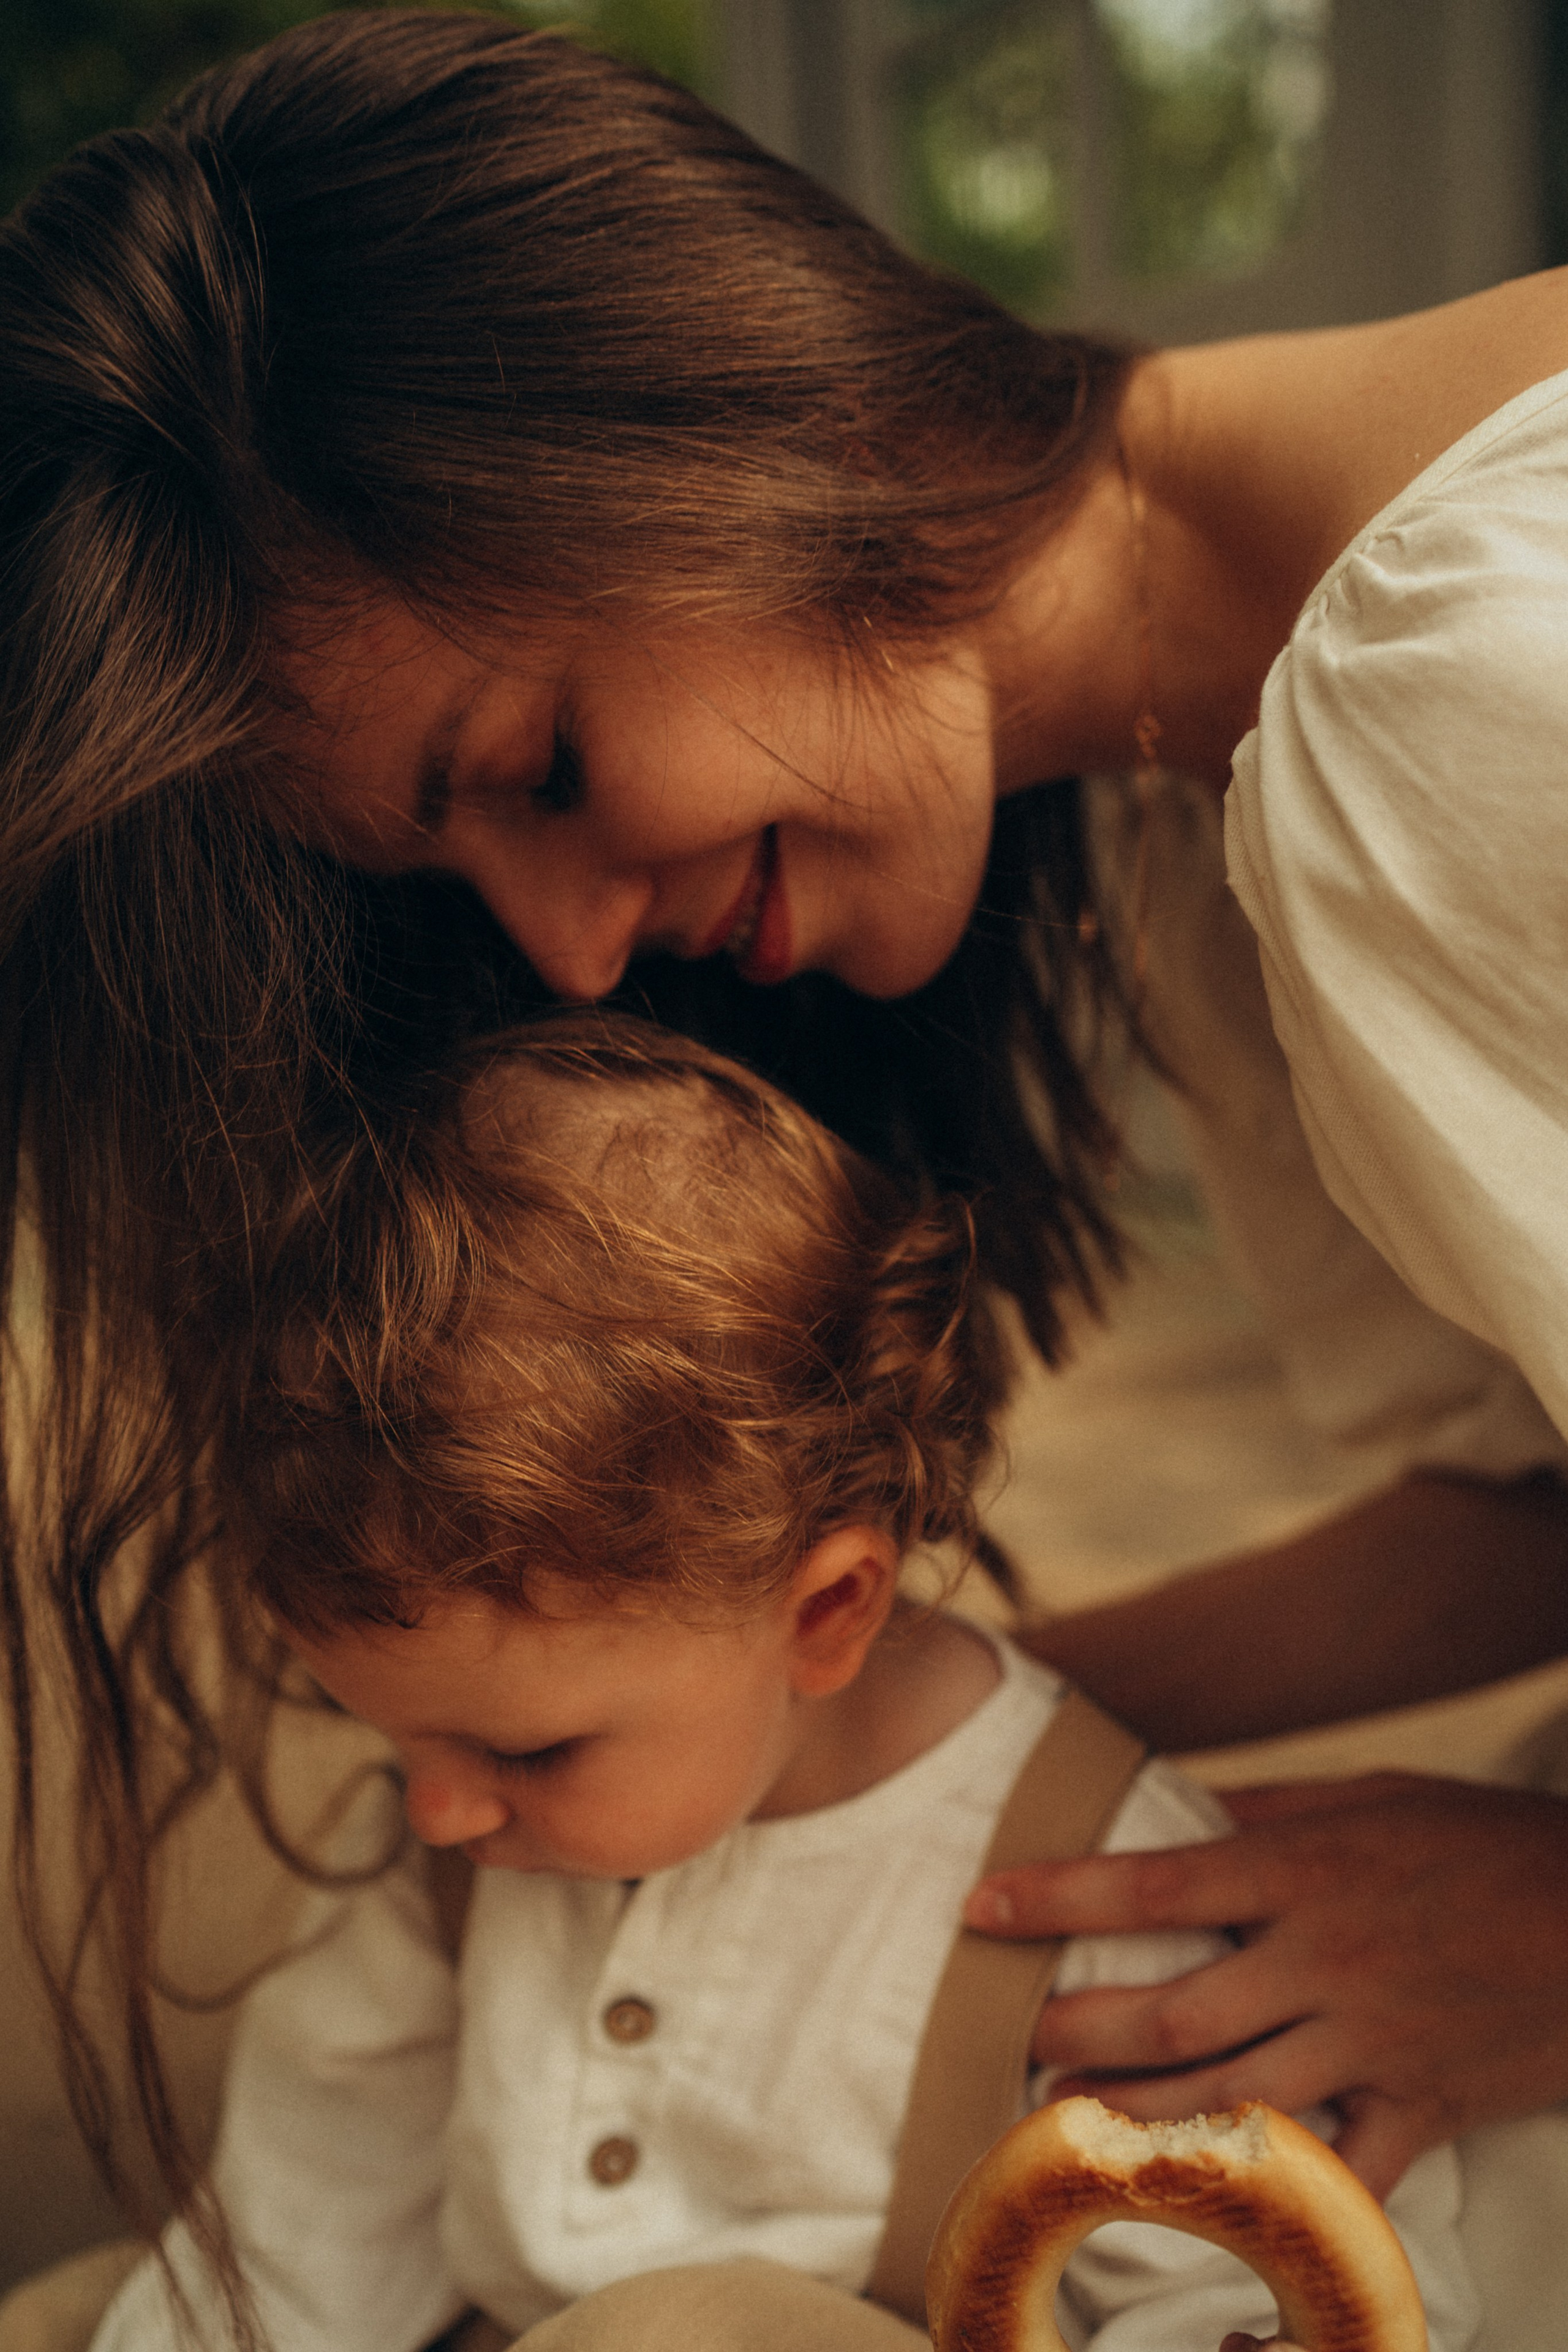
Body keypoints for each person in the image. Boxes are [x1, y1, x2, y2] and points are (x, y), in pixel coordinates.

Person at [1, 0, 1566, 2255]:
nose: (563, 955)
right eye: (453, 884)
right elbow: (1530, 1509)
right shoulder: (1199, 768)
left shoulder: (1455, 698)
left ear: (694, 418)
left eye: (534, 765)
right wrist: (825, 1723)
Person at [87, 1014, 1477, 2352]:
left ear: (824, 1613)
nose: (438, 1810)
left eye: (532, 1753)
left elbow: (1291, 2270)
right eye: (387, 1735)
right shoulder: (445, 1849)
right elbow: (293, 2228)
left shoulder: (1085, 1880)